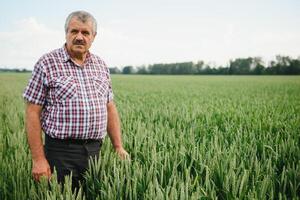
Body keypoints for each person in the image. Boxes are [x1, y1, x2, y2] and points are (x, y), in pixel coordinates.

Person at [23, 10, 129, 189]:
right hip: (60, 152)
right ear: (66, 33)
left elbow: (110, 107)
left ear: (93, 37)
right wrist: (39, 159)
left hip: (95, 151)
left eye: (85, 32)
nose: (79, 37)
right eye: (74, 31)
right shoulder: (47, 63)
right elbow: (32, 112)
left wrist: (118, 146)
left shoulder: (101, 66)